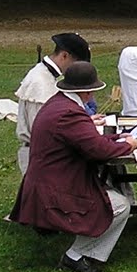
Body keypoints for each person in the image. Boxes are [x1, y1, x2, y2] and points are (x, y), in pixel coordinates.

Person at [9, 62, 137, 272]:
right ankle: (76, 255)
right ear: (88, 91)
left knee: (112, 197)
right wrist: (129, 144)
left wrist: (118, 137)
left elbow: (87, 139)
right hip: (54, 189)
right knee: (120, 205)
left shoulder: (58, 104)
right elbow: (99, 150)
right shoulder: (69, 114)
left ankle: (81, 251)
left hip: (50, 181)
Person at [15, 32, 91, 175]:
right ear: (64, 56)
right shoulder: (39, 82)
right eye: (76, 65)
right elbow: (43, 130)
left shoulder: (46, 76)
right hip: (41, 158)